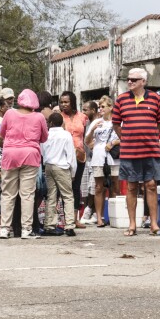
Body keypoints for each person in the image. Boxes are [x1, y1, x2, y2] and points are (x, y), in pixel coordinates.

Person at [112, 68, 160, 237]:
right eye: (128, 79)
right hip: (129, 152)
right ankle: (132, 224)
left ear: (143, 81)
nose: (130, 82)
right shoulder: (121, 100)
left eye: (134, 80)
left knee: (151, 186)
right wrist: (127, 138)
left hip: (150, 150)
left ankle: (154, 225)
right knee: (131, 187)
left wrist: (149, 136)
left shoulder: (155, 98)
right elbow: (116, 124)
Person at [0, 89, 48, 239]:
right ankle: (26, 229)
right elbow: (44, 138)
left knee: (8, 193)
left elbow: (2, 133)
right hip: (30, 155)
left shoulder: (9, 113)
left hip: (10, 155)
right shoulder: (39, 117)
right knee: (27, 194)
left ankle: (5, 229)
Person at [41, 112, 78, 236]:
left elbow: (42, 152)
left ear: (50, 123)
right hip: (62, 167)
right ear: (62, 123)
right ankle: (69, 225)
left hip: (49, 166)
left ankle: (49, 225)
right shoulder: (65, 135)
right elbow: (71, 155)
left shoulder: (46, 135)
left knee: (51, 196)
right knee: (67, 196)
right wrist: (73, 172)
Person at [84, 96, 119, 228]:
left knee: (115, 187)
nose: (101, 109)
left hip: (113, 157)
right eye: (99, 107)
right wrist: (92, 130)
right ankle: (99, 217)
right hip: (99, 157)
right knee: (99, 187)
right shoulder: (96, 122)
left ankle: (114, 216)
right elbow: (87, 142)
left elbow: (125, 137)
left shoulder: (117, 122)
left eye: (103, 106)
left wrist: (113, 142)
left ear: (111, 107)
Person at [59, 91, 89, 229]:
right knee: (65, 187)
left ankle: (75, 218)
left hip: (79, 156)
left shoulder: (83, 117)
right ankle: (66, 218)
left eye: (66, 102)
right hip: (64, 156)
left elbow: (87, 137)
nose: (63, 104)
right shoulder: (59, 117)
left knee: (76, 187)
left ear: (72, 102)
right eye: (61, 102)